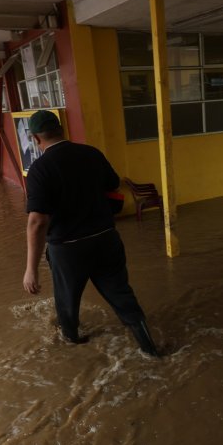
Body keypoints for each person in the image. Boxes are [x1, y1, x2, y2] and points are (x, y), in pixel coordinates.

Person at [21, 110, 161, 357]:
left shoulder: (39, 170)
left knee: (67, 301)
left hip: (68, 248)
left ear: (34, 138)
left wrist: (30, 269)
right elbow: (113, 184)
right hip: (106, 239)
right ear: (61, 129)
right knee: (121, 294)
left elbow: (37, 221)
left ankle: (74, 345)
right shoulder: (91, 154)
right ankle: (149, 348)